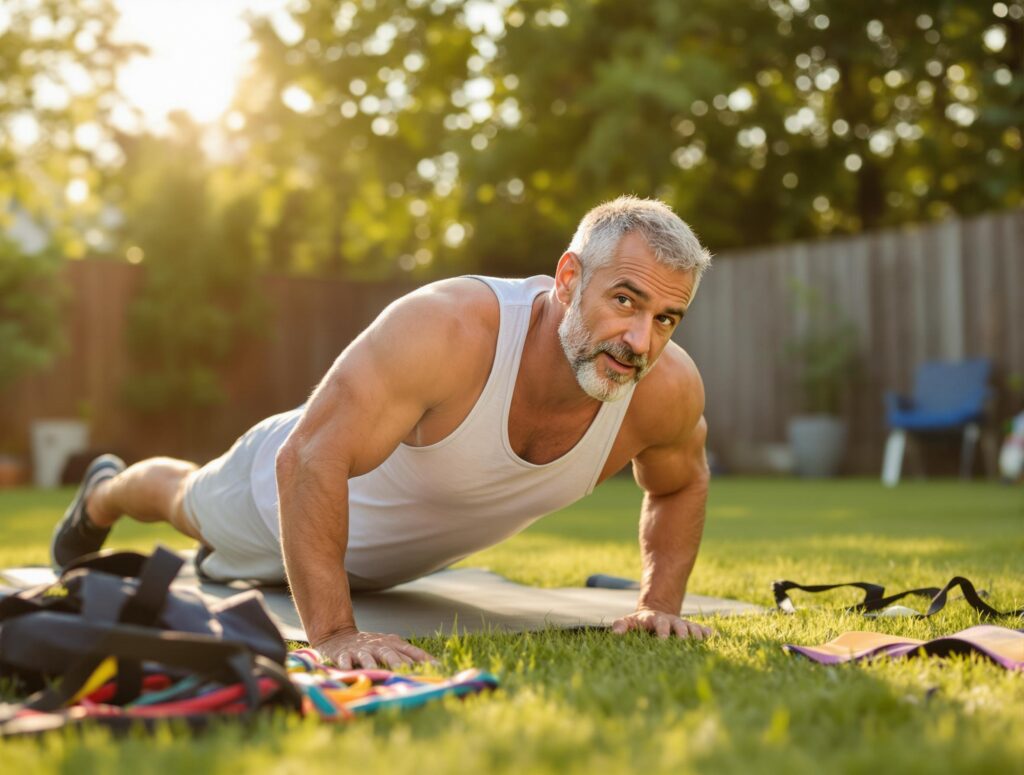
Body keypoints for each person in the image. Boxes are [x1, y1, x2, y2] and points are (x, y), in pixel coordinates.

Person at [52, 196, 713, 668]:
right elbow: (309, 456)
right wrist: (335, 633)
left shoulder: (665, 389)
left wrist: (659, 602)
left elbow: (682, 482)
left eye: (666, 318)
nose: (640, 340)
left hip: (389, 562)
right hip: (272, 497)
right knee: (184, 499)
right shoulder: (447, 328)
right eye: (625, 299)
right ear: (569, 279)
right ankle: (105, 492)